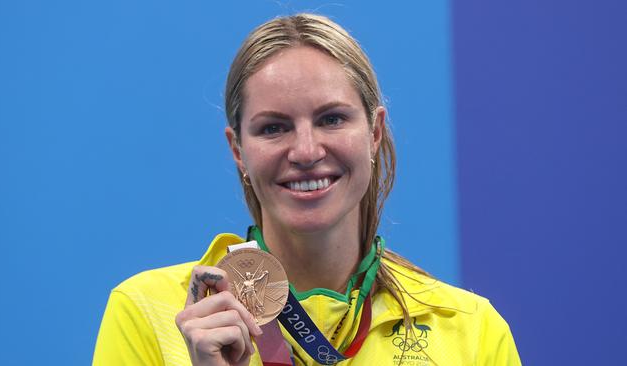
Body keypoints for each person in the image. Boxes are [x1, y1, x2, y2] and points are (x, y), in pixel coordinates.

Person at [93, 13, 521, 366]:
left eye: (331, 119)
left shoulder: (471, 330)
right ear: (238, 149)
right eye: (274, 128)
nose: (305, 150)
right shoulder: (150, 313)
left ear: (374, 133)